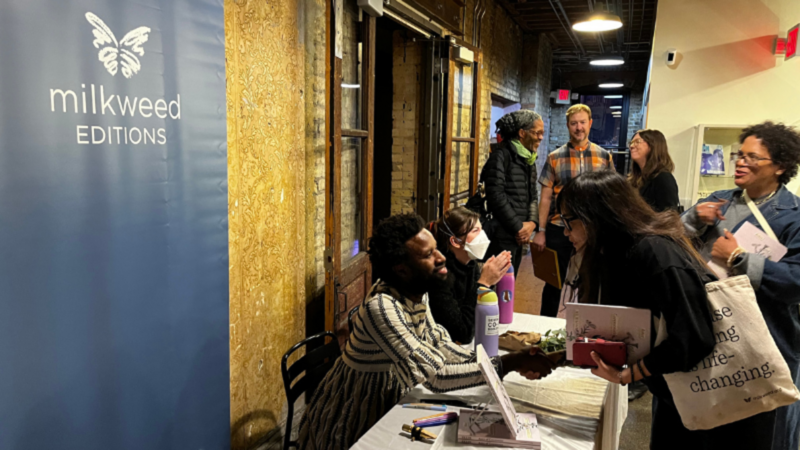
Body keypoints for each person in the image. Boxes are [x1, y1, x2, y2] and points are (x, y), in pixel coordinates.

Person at [297, 213, 557, 450]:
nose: (441, 257)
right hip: (357, 410)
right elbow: (435, 376)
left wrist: (499, 363)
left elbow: (441, 345)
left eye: (436, 249)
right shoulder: (382, 307)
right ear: (402, 268)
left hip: (392, 395)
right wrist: (506, 363)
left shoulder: (416, 294)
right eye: (428, 254)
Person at [558, 171, 776, 449]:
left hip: (721, 398)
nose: (565, 232)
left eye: (568, 221)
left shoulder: (654, 251)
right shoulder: (615, 253)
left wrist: (630, 374)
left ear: (595, 216)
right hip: (680, 390)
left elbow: (695, 337)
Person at [682, 121, 800, 450]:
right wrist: (691, 221)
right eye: (739, 154)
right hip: (711, 331)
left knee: (761, 428)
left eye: (752, 157)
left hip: (765, 337)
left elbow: (796, 282)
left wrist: (738, 258)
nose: (740, 161)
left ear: (779, 167)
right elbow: (670, 242)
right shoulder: (719, 202)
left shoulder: (794, 216)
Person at [533, 104, 613, 317]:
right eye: (574, 123)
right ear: (568, 126)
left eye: (582, 122)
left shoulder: (604, 156)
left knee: (590, 281)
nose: (579, 127)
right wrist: (540, 230)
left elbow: (611, 194)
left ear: (590, 124)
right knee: (553, 283)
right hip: (560, 229)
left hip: (592, 231)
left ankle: (584, 329)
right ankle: (545, 329)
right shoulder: (554, 157)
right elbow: (546, 197)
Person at [427, 207, 513, 343]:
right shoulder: (440, 275)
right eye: (475, 231)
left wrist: (492, 278)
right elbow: (463, 333)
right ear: (455, 241)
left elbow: (481, 314)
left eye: (481, 228)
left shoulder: (470, 265)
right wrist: (484, 284)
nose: (482, 235)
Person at [480, 109, 544, 274]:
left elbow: (533, 196)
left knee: (509, 285)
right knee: (495, 285)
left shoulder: (529, 159)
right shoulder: (501, 156)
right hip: (501, 235)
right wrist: (519, 228)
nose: (540, 137)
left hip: (518, 236)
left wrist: (532, 224)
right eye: (537, 133)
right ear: (522, 133)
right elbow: (496, 196)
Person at [628, 129, 680, 212]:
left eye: (637, 141)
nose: (632, 146)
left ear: (653, 145)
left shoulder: (664, 178)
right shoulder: (635, 179)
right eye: (631, 143)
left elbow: (670, 217)